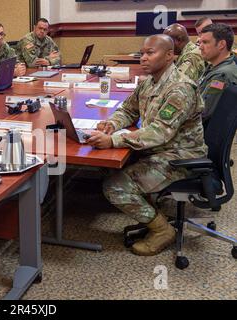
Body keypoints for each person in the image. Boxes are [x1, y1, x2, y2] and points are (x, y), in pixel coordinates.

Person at [87, 35, 207, 256]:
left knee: (114, 186)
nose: (143, 57)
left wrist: (113, 140)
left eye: (150, 53)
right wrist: (112, 124)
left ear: (170, 55)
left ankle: (163, 230)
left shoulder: (180, 88)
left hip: (179, 157)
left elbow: (159, 133)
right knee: (109, 164)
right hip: (158, 149)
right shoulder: (149, 81)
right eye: (142, 53)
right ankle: (153, 211)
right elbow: (128, 110)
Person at [198, 23, 237, 126]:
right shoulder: (215, 68)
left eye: (205, 42)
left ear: (221, 45)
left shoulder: (221, 75)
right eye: (200, 42)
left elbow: (204, 111)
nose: (200, 47)